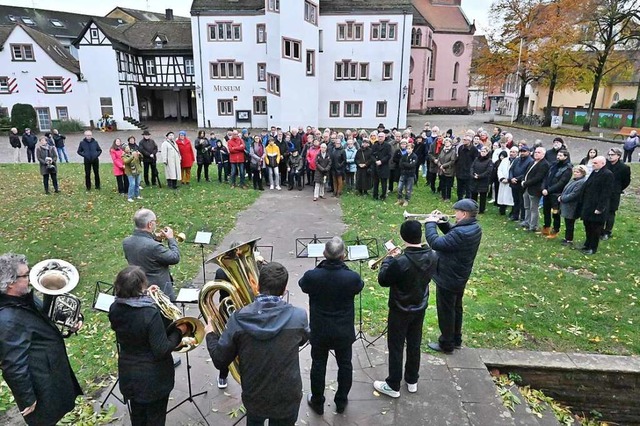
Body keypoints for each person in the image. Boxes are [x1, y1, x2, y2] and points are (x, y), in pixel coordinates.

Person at [206, 262, 309, 426]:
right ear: (284, 290)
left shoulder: (238, 318)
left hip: (255, 394)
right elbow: (303, 339)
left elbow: (220, 360)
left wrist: (210, 334)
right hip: (287, 395)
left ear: (258, 286)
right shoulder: (299, 316)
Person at [0, 253, 83, 425]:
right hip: (42, 382)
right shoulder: (7, 320)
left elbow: (47, 316)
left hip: (51, 370)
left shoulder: (22, 297)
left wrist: (73, 319)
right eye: (25, 275)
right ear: (10, 283)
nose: (31, 279)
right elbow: (13, 364)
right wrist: (27, 398)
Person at [109, 266, 187, 426]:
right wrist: (179, 331)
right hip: (154, 380)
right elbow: (162, 349)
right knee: (155, 419)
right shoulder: (149, 314)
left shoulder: (115, 308)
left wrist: (145, 294)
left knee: (138, 417)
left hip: (129, 376)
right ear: (139, 287)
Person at [299, 238, 364, 414]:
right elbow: (359, 286)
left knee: (318, 364)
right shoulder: (351, 277)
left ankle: (318, 402)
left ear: (324, 254)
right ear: (343, 256)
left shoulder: (313, 276)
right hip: (343, 331)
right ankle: (341, 402)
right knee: (345, 365)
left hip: (320, 330)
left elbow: (302, 285)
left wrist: (320, 266)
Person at [373, 220, 436, 398]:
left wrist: (389, 260)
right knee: (414, 344)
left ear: (402, 236)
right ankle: (412, 379)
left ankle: (393, 384)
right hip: (419, 306)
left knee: (396, 345)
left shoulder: (400, 262)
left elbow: (383, 280)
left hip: (400, 309)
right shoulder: (432, 255)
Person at [425, 199, 482, 354]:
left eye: (456, 212)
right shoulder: (473, 227)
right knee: (456, 308)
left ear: (464, 214)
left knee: (446, 311)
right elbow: (452, 239)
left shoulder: (461, 232)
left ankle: (446, 344)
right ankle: (456, 339)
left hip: (448, 277)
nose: (454, 214)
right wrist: (443, 223)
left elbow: (436, 243)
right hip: (460, 275)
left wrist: (430, 224)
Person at [123, 209, 180, 301]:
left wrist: (154, 238)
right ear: (150, 224)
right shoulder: (154, 246)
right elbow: (175, 257)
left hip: (140, 289)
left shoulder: (126, 242)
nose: (155, 224)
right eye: (155, 221)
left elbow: (145, 253)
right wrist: (171, 239)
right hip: (159, 292)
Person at [579, 156, 613, 255]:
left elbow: (606, 193)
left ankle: (593, 248)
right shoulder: (595, 172)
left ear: (603, 163)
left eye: (596, 163)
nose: (593, 165)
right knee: (588, 225)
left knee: (595, 228)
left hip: (597, 206)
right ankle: (587, 244)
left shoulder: (607, 174)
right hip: (588, 204)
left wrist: (600, 208)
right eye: (593, 163)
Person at [541, 150, 572, 238]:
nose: (558, 157)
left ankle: (555, 230)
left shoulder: (567, 168)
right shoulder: (553, 165)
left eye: (561, 155)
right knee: (546, 211)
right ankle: (546, 228)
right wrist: (543, 188)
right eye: (558, 155)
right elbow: (546, 177)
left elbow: (561, 183)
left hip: (556, 194)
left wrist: (549, 190)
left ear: (565, 157)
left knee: (555, 213)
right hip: (547, 192)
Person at [602, 148, 631, 240]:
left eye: (612, 155)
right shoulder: (605, 164)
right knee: (601, 210)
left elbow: (626, 181)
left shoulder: (624, 167)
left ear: (618, 156)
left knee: (611, 211)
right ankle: (600, 230)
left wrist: (618, 189)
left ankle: (607, 231)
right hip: (603, 191)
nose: (610, 156)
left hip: (614, 192)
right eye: (609, 154)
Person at [521, 147, 549, 232]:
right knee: (527, 206)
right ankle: (527, 221)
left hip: (535, 189)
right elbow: (526, 172)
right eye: (536, 152)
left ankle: (533, 226)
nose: (536, 153)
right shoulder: (532, 162)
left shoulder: (544, 164)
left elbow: (538, 178)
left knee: (534, 208)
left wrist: (525, 183)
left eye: (539, 152)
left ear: (543, 154)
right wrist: (523, 180)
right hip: (527, 188)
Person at [558, 166, 588, 246]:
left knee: (570, 223)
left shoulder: (581, 182)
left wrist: (562, 198)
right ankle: (567, 238)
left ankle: (569, 239)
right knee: (567, 222)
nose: (575, 173)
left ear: (582, 173)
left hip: (573, 206)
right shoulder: (573, 180)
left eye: (577, 172)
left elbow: (574, 194)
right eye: (574, 171)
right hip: (567, 204)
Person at [509, 146, 533, 221]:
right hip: (514, 183)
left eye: (524, 151)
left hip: (521, 184)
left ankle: (523, 217)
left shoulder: (530, 161)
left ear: (528, 152)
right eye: (521, 151)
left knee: (522, 202)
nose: (522, 153)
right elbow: (511, 169)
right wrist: (511, 178)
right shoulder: (517, 159)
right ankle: (515, 215)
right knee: (515, 200)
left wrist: (517, 178)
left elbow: (526, 173)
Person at [469, 146, 493, 213]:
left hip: (483, 181)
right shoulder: (476, 159)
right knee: (474, 194)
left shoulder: (489, 161)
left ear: (487, 152)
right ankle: (473, 208)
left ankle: (482, 209)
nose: (482, 153)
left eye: (484, 151)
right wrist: (473, 174)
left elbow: (488, 171)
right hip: (474, 179)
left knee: (483, 196)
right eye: (482, 151)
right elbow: (472, 167)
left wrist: (479, 176)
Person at [371, 131, 392, 201]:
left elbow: (389, 155)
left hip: (384, 166)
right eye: (379, 136)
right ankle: (375, 195)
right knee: (375, 182)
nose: (380, 138)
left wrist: (381, 161)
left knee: (384, 182)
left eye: (382, 137)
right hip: (375, 166)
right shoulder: (374, 145)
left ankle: (383, 195)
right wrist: (375, 161)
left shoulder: (388, 146)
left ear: (384, 137)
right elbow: (371, 155)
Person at [396, 142, 418, 207]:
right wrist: (406, 164)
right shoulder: (404, 156)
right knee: (399, 187)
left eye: (409, 148)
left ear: (412, 149)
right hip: (403, 174)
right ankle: (399, 199)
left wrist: (405, 164)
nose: (408, 150)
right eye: (407, 149)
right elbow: (400, 164)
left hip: (410, 175)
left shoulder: (414, 156)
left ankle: (406, 200)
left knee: (408, 189)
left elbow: (412, 165)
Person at [496, 149, 515, 215]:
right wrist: (501, 178)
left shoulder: (517, 161)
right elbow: (499, 170)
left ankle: (513, 212)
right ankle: (502, 210)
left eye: (513, 152)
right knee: (502, 196)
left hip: (511, 182)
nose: (512, 153)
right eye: (511, 152)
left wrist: (509, 179)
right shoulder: (504, 160)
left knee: (511, 198)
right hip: (503, 181)